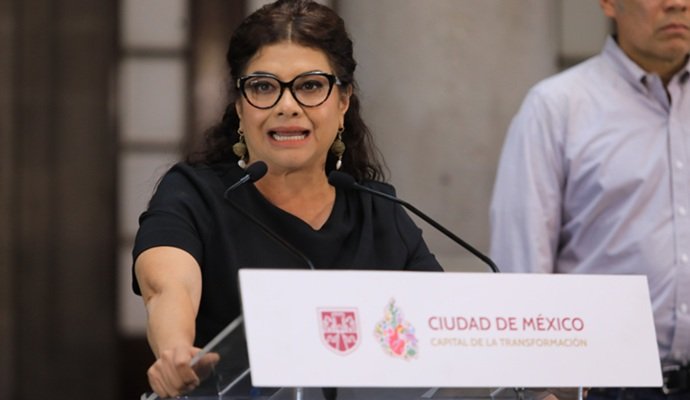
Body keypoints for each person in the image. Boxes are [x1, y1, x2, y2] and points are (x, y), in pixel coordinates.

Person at [131, 0, 442, 398]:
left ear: (343, 101)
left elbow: (441, 326)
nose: (287, 106)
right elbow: (167, 287)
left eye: (310, 86)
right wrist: (174, 350)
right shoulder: (195, 195)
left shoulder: (379, 211)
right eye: (263, 87)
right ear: (239, 106)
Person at [490, 0, 689, 398]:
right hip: (606, 386)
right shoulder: (556, 106)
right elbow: (521, 263)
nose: (678, 4)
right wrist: (534, 388)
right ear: (609, 4)